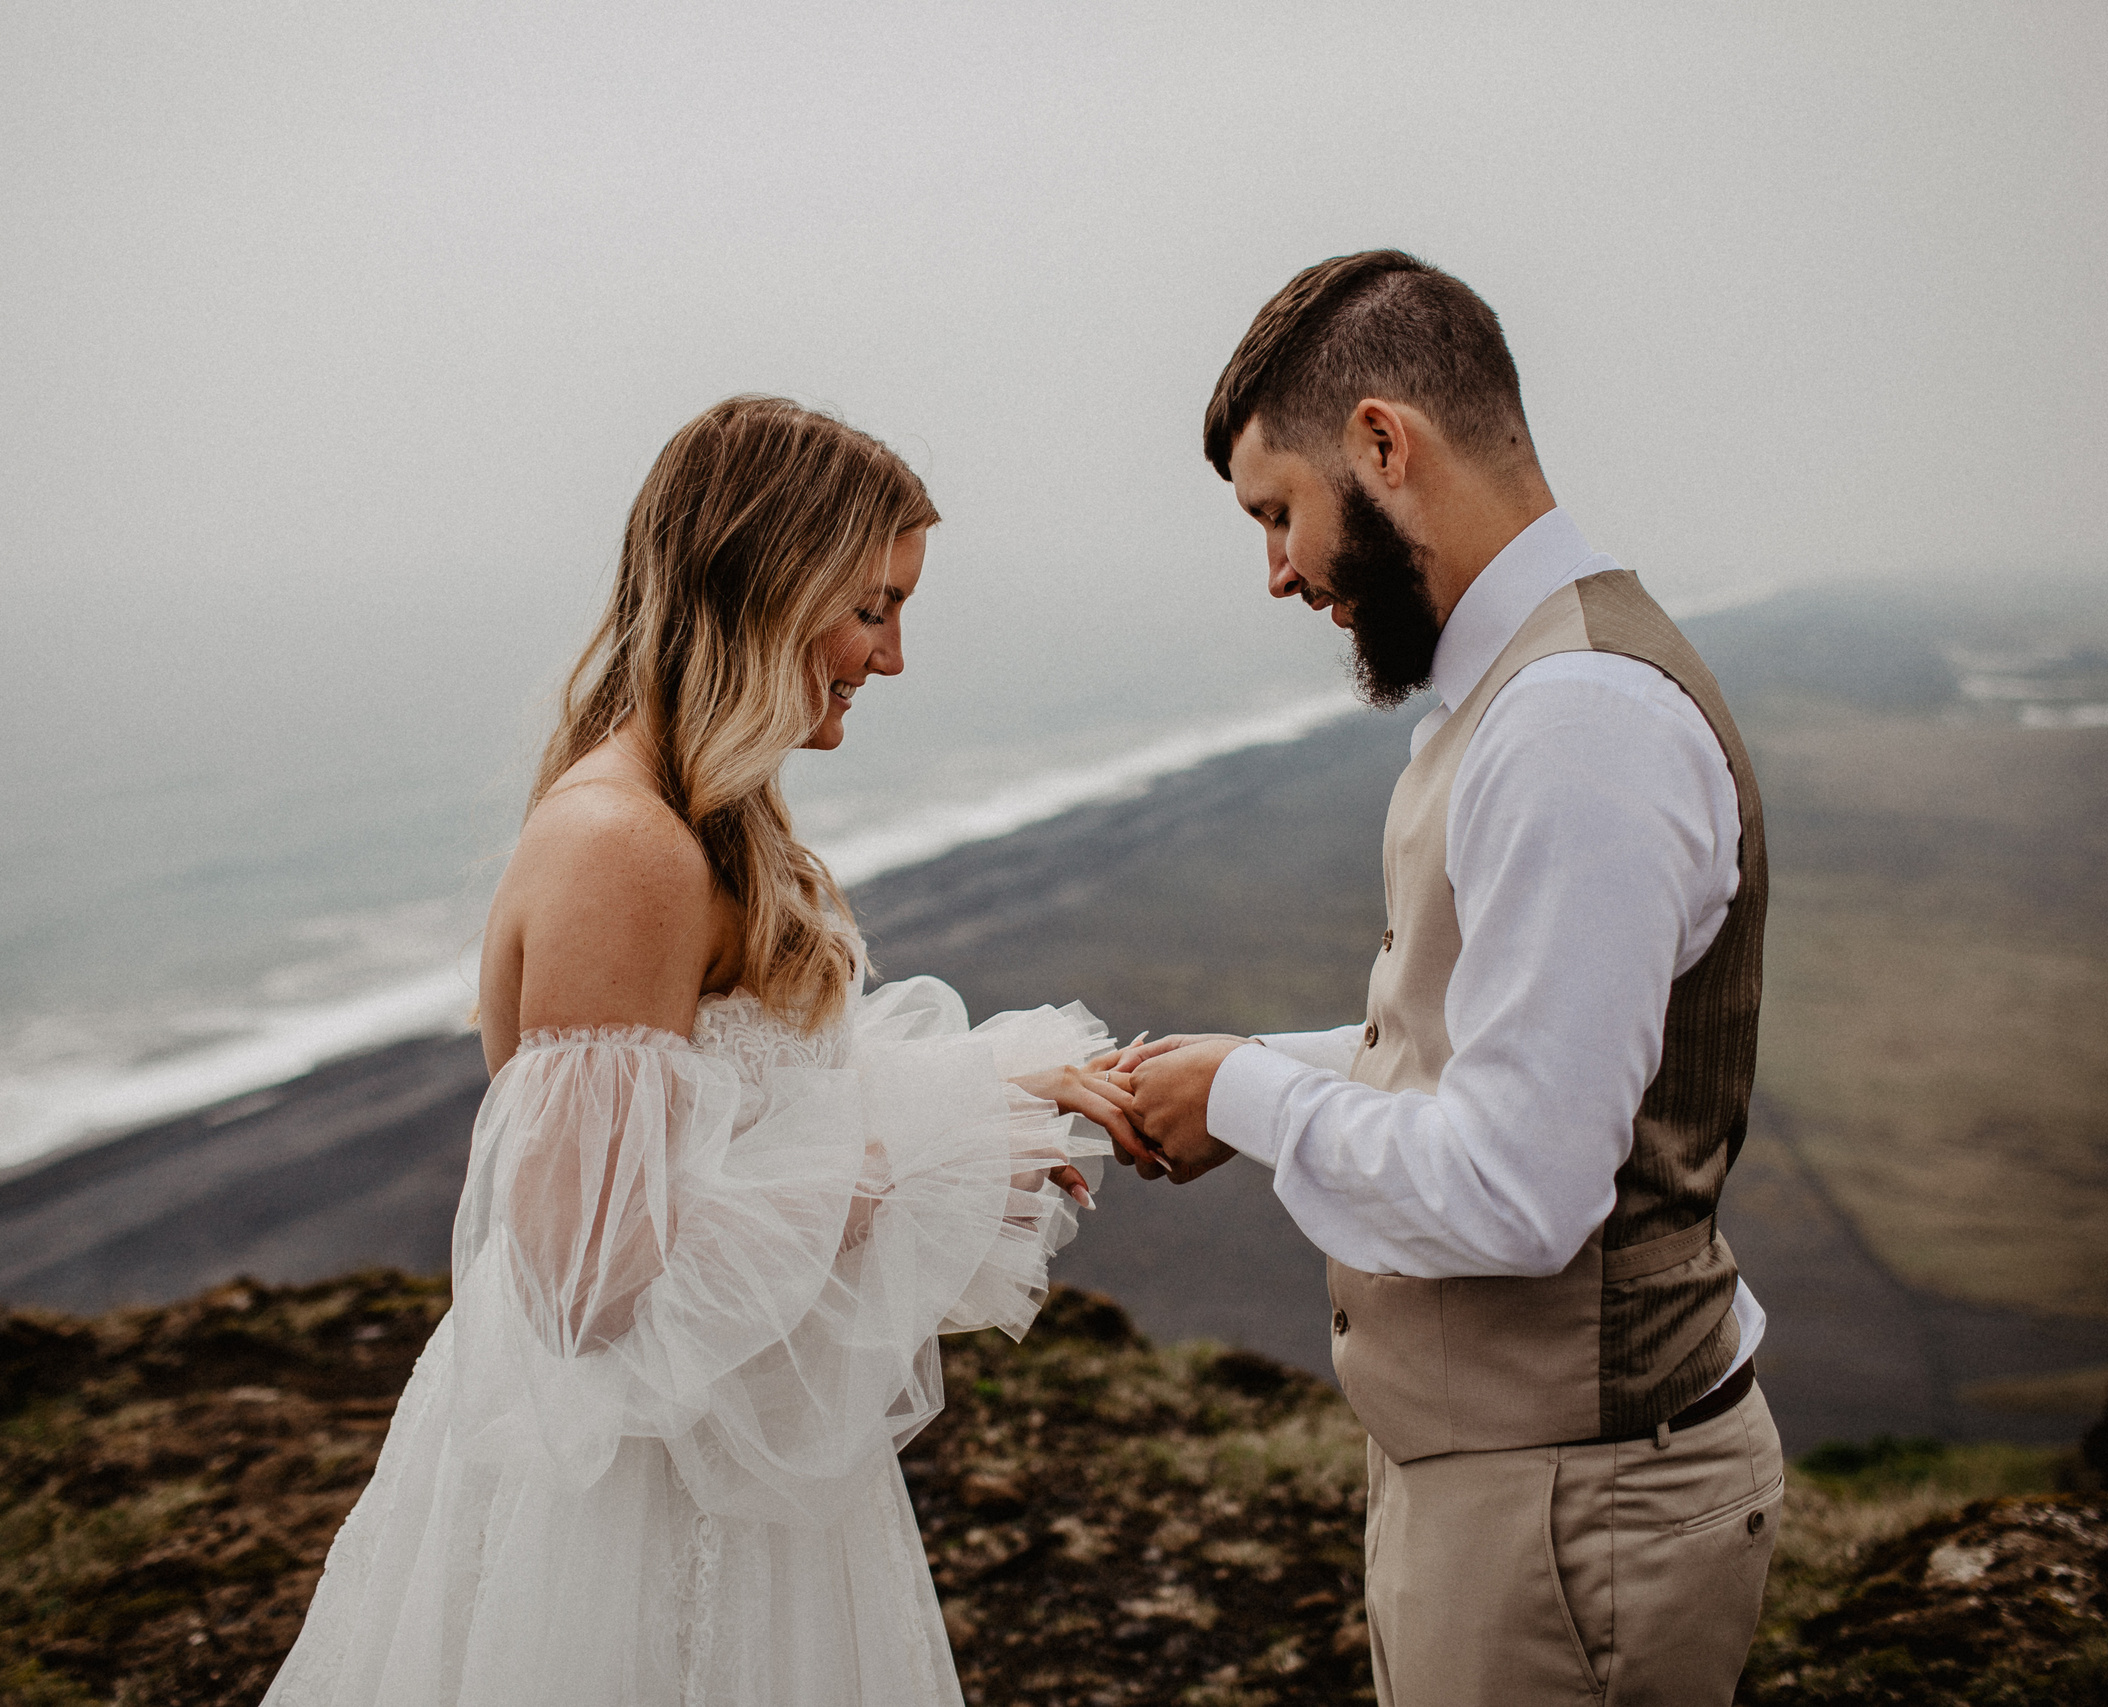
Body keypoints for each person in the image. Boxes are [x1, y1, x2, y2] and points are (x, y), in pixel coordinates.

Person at [261, 395, 1137, 1706]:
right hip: (623, 1511)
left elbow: (744, 1114)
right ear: (764, 594)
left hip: (715, 1468)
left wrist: (986, 1092)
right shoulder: (629, 850)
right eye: (871, 607)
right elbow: (586, 1280)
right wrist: (917, 1172)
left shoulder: (704, 824)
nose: (891, 656)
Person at [1109, 252, 1785, 1706]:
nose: (1278, 570)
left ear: (1380, 445)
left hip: (1577, 1511)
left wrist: (1245, 1090)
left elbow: (1519, 1193)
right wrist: (1240, 1082)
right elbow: (1464, 1058)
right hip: (1527, 1491)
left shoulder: (1576, 724)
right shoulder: (1526, 698)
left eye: (1277, 513)